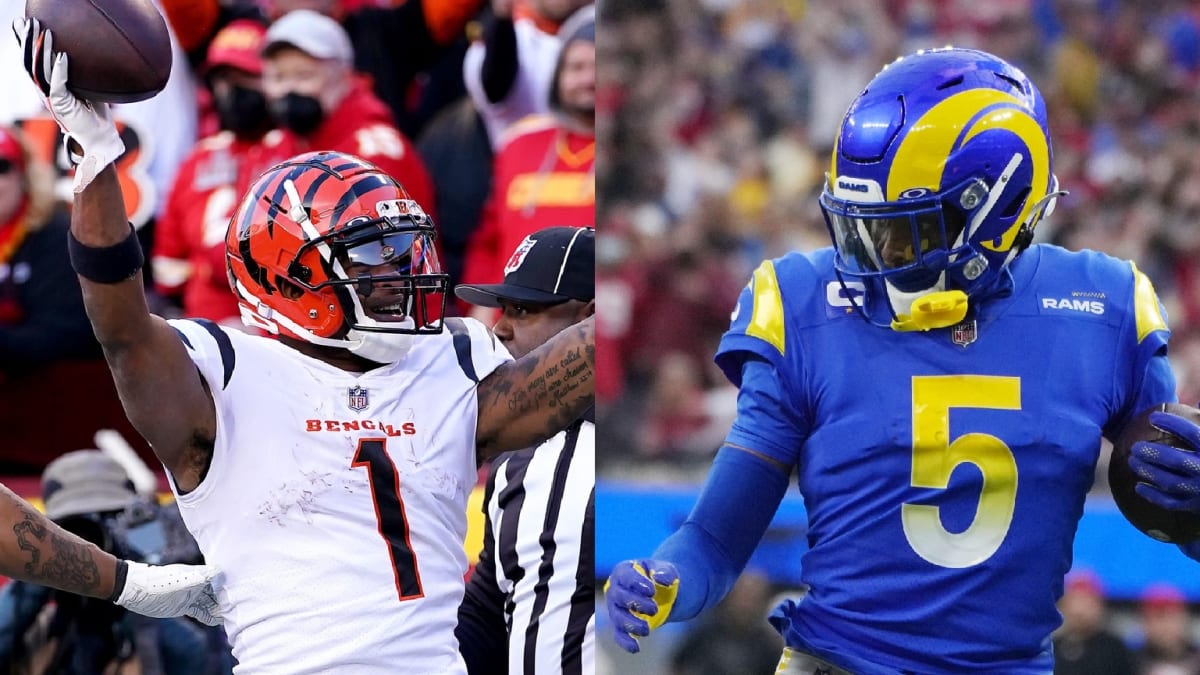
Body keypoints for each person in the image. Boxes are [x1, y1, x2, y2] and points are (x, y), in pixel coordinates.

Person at [14, 17, 595, 674]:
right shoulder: (223, 374)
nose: (399, 273)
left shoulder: (451, 361)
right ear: (289, 275)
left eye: (404, 249)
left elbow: (585, 359)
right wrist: (94, 156)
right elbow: (120, 325)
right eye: (374, 256)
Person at [604, 46, 1200, 673]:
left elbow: (1168, 502)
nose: (871, 255)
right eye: (861, 225)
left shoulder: (1103, 306)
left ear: (995, 212)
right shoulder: (803, 302)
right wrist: (667, 576)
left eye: (902, 230)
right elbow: (717, 535)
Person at [454, 226, 595, 674]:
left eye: (523, 310)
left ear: (587, 322)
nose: (501, 327)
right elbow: (489, 613)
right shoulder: (516, 454)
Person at [0, 450, 232, 674]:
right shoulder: (41, 629)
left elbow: (199, 657)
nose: (87, 544)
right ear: (50, 527)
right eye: (71, 530)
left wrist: (130, 580)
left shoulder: (149, 547)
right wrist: (44, 568)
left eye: (106, 518)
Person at [460, 5, 594, 316]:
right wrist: (479, 309)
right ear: (557, 75)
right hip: (513, 327)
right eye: (577, 67)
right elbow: (488, 242)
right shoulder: (518, 144)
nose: (589, 78)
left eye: (597, 66)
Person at [152, 18, 282, 325]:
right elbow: (167, 264)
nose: (231, 90)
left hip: (280, 331)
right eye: (223, 80)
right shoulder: (198, 158)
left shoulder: (296, 150)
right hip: (202, 330)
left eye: (244, 77)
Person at [260, 9, 437, 216]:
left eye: (304, 76)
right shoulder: (273, 146)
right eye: (278, 77)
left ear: (343, 77)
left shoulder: (375, 156)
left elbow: (397, 243)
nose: (289, 89)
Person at [1053, 571, 1137, 675]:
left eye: (1086, 602)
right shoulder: (1053, 648)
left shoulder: (1114, 649)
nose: (1079, 610)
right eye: (1074, 601)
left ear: (1099, 606)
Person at [1133, 583, 1200, 675]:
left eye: (1171, 617)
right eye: (1158, 618)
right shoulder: (1130, 662)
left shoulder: (1196, 659)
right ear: (1144, 623)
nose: (1165, 626)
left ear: (1184, 618)